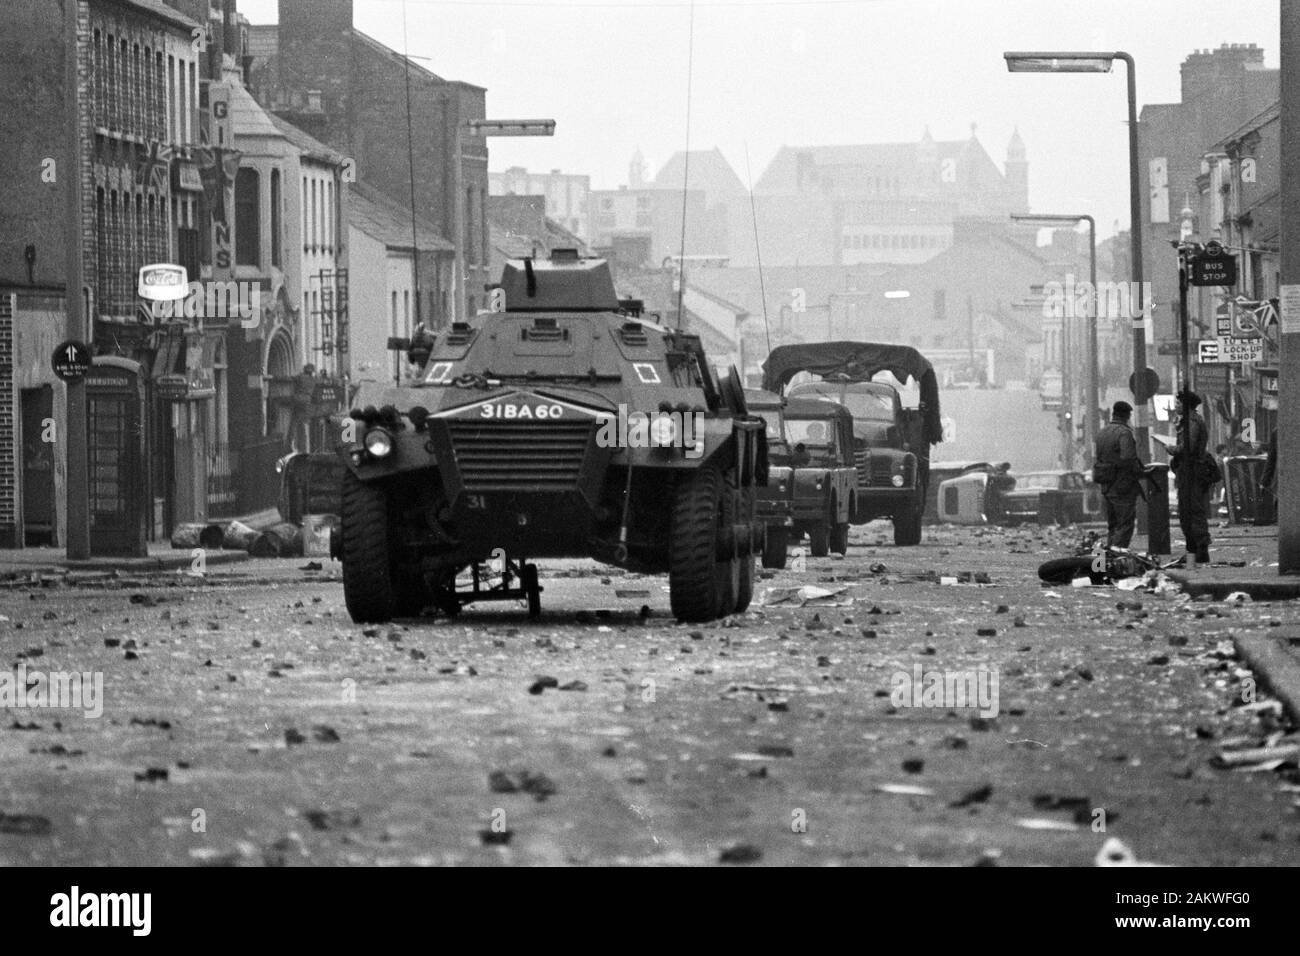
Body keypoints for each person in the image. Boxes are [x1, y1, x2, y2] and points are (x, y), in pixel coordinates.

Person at [1093, 401, 1146, 548]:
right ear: (1126, 416)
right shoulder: (1124, 432)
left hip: (1106, 486)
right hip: (1122, 486)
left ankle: (1109, 556)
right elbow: (1128, 458)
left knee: (1113, 524)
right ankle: (1117, 555)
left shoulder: (1102, 433)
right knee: (1125, 524)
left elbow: (1098, 456)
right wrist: (1140, 472)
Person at [1170, 389, 1211, 564]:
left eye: (1178, 402)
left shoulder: (1192, 422)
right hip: (1186, 472)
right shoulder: (1187, 421)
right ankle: (1192, 552)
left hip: (1192, 472)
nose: (1176, 405)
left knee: (1193, 511)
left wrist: (1172, 449)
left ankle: (1200, 551)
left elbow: (1189, 447)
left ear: (1186, 405)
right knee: (1185, 513)